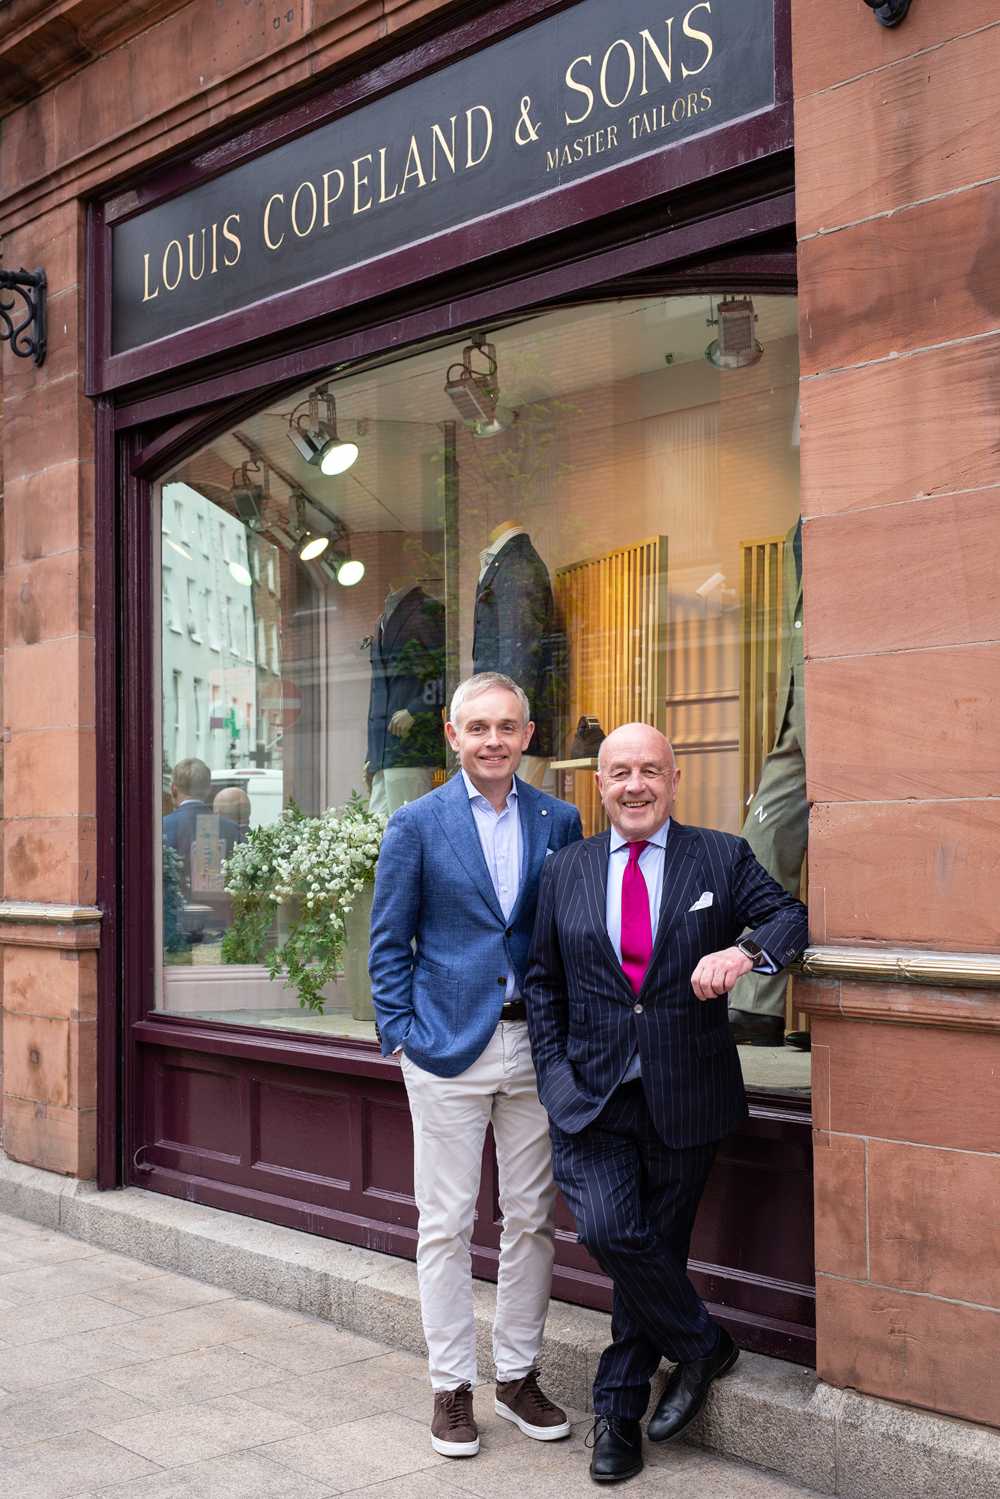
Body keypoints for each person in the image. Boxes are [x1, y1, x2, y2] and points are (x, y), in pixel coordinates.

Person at [524, 724, 808, 1485]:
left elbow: (791, 917)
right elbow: (543, 985)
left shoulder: (721, 855)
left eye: (651, 770)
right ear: (600, 785)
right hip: (588, 1095)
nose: (636, 785)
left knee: (654, 1254)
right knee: (616, 1232)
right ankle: (703, 1344)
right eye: (620, 772)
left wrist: (745, 952)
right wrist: (554, 1078)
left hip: (687, 1094)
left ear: (676, 779)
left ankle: (616, 1414)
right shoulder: (566, 870)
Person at [369, 671, 583, 1459]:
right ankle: (451, 1386)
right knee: (447, 1222)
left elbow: (569, 932)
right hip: (445, 1049)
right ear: (452, 736)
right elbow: (389, 942)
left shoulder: (561, 819)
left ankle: (518, 1372)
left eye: (508, 726)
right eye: (478, 726)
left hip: (535, 1046)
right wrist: (400, 1034)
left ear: (528, 736)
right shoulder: (416, 824)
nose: (493, 739)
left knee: (531, 1217)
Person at [162, 758, 242, 896]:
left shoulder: (160, 828)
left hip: (171, 912)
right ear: (208, 789)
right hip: (219, 913)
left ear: (174, 789)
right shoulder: (232, 829)